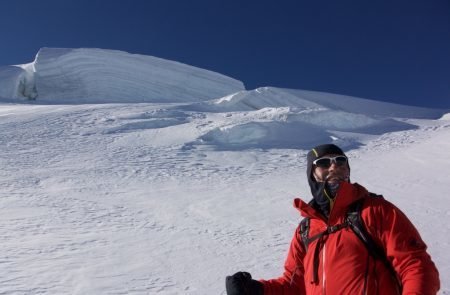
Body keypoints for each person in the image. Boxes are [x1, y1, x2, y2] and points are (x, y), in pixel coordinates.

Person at [225, 144, 440, 294]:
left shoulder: (375, 211)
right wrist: (256, 290)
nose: (334, 166)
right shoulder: (306, 230)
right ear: (312, 174)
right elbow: (294, 286)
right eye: (324, 162)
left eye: (340, 161)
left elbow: (415, 265)